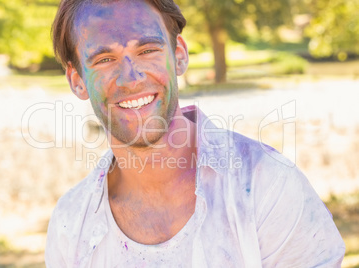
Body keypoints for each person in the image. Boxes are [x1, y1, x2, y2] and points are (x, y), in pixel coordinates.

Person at [45, 0, 345, 266]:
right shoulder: (71, 225)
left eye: (147, 50)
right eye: (104, 59)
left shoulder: (267, 184)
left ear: (179, 56)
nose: (131, 78)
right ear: (77, 80)